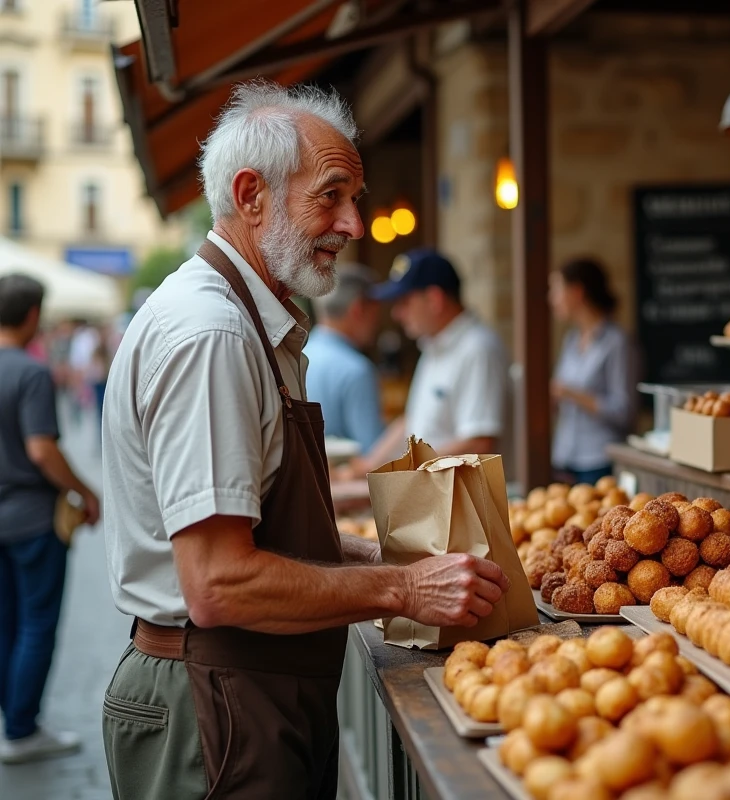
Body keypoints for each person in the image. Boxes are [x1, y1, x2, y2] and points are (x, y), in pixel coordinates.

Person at [100, 82, 507, 799]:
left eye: (357, 197)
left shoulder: (256, 321)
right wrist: (406, 585)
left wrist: (389, 553)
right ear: (251, 194)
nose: (354, 224)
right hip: (213, 705)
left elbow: (263, 535)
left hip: (246, 690)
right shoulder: (213, 335)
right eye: (332, 195)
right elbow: (220, 583)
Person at [0, 274, 100, 764]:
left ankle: (12, 719)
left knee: (5, 623)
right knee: (37, 624)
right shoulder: (31, 372)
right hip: (33, 520)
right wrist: (86, 492)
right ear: (34, 315)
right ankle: (21, 729)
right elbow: (42, 450)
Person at [362, 248, 509, 465]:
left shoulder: (477, 348)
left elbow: (479, 443)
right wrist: (366, 466)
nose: (397, 314)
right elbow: (412, 421)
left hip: (461, 496)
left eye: (404, 302)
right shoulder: (434, 345)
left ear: (434, 300)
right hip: (436, 491)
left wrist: (402, 471)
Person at [548, 258, 636, 485]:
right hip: (565, 457)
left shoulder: (617, 343)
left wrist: (571, 393)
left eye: (556, 290)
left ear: (577, 292)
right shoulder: (571, 340)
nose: (551, 299)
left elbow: (624, 411)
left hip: (599, 461)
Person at [304, 264, 385, 451]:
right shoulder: (357, 370)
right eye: (375, 312)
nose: (377, 322)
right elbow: (371, 450)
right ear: (358, 310)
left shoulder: (299, 355)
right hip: (342, 479)